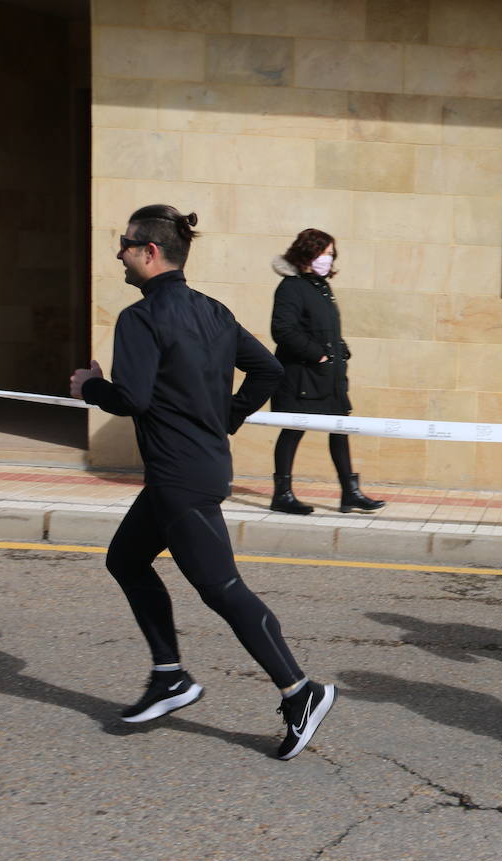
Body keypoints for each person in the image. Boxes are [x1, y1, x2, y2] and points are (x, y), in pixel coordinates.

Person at [70, 205, 335, 760]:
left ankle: (300, 691)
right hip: (194, 469)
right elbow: (269, 370)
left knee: (223, 589)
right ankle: (169, 674)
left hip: (179, 478)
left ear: (149, 252)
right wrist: (227, 417)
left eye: (124, 243)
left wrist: (91, 387)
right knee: (124, 558)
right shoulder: (213, 311)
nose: (117, 252)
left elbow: (133, 398)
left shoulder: (139, 318)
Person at [267, 228, 385, 515]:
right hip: (302, 376)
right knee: (293, 432)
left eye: (331, 254)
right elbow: (282, 330)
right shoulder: (291, 287)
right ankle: (282, 494)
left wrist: (339, 348)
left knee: (339, 430)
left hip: (328, 377)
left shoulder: (320, 287)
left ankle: (350, 493)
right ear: (308, 253)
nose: (329, 259)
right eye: (325, 253)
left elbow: (324, 328)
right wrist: (317, 354)